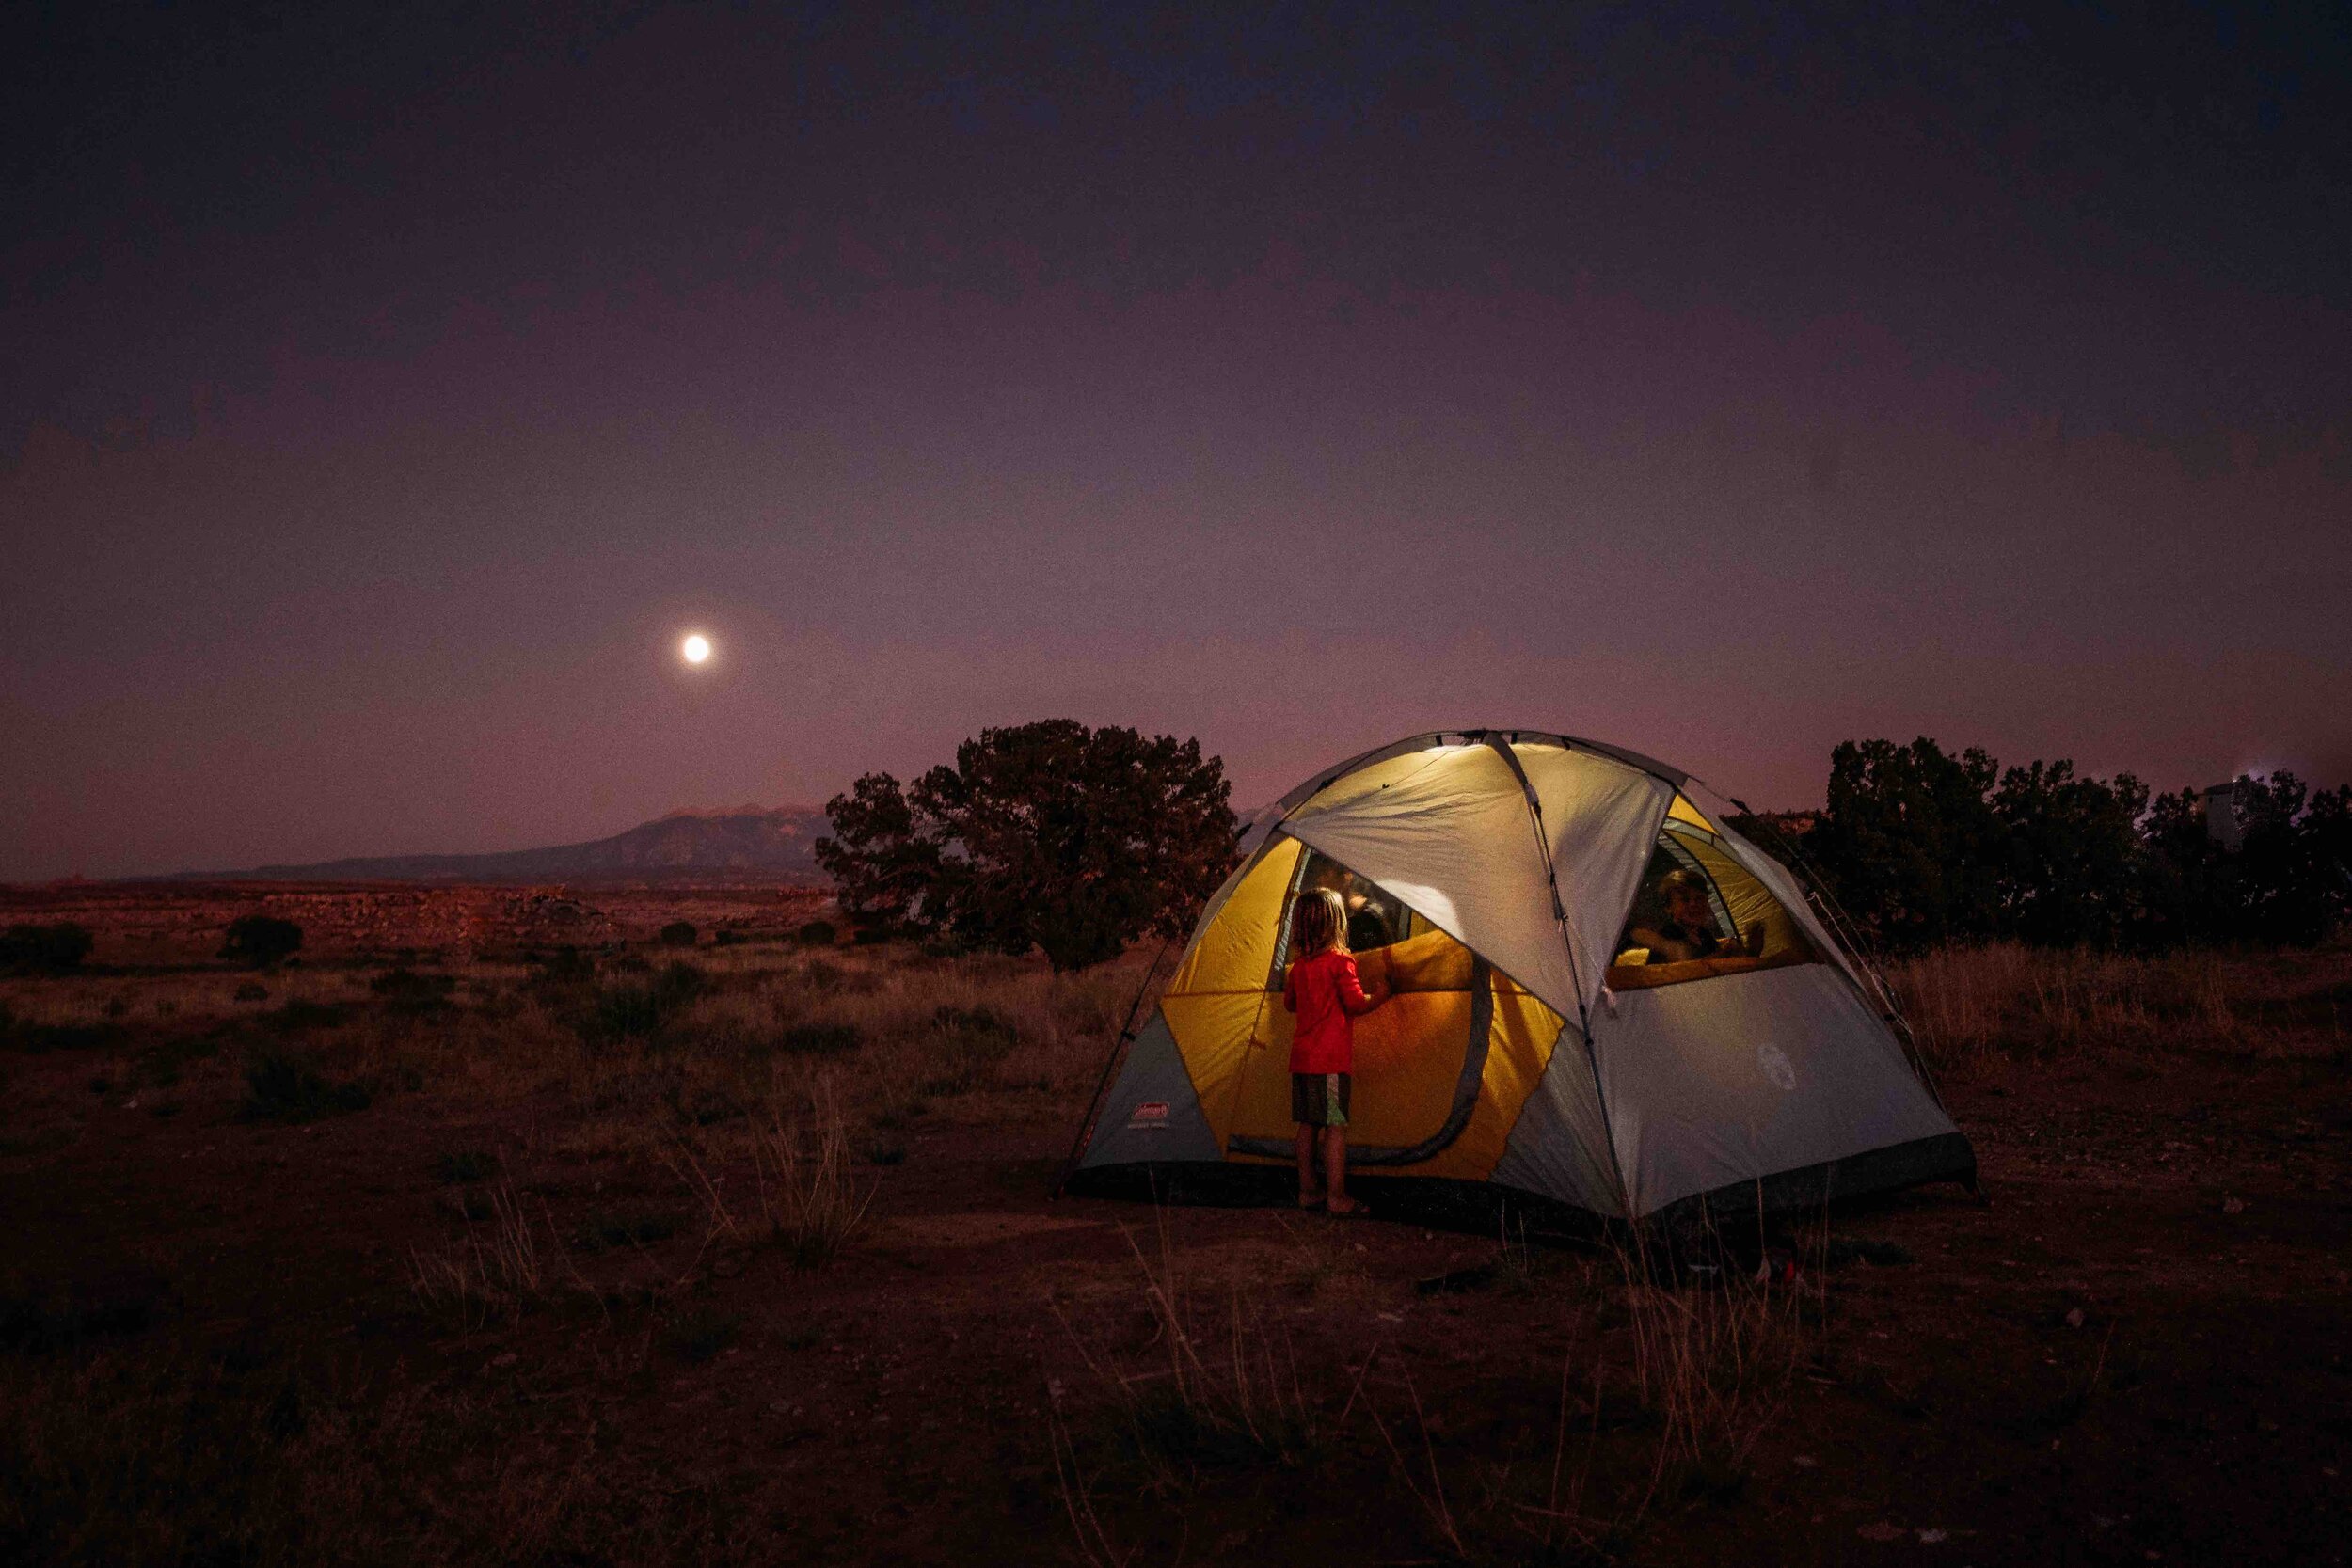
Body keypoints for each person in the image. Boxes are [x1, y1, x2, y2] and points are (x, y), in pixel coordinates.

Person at [1282, 887, 1389, 1213]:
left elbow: (1290, 1004)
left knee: (1306, 1126)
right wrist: (1383, 993)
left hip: (1301, 1061)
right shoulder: (1342, 962)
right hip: (1329, 1064)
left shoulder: (1299, 968)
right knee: (1335, 1126)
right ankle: (1337, 1197)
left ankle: (1307, 1191)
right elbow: (1356, 1004)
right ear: (1336, 923)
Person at [1629, 869, 1764, 964]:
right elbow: (1686, 972)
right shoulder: (1670, 934)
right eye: (1685, 900)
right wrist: (1725, 953)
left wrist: (1752, 951)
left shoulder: (1704, 935)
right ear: (1669, 907)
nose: (1694, 904)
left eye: (1700, 898)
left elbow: (1726, 973)